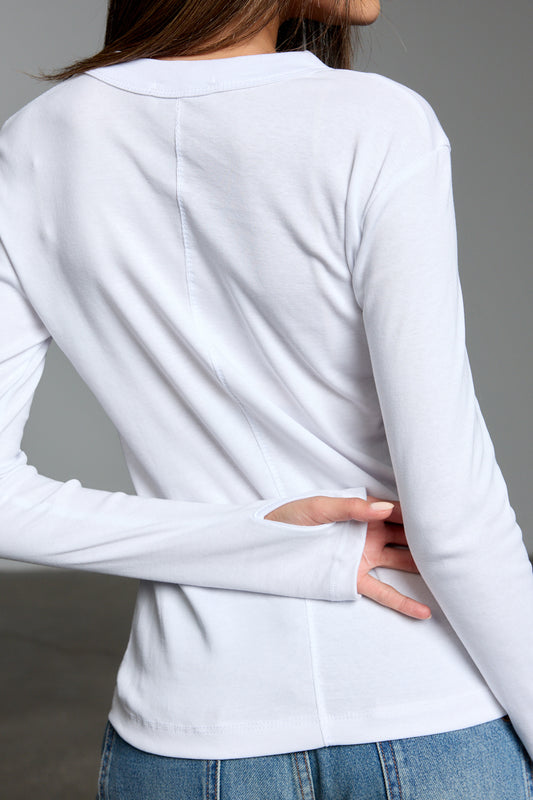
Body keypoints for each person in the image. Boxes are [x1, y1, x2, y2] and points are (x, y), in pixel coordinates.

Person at [0, 0, 532, 797]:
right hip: (425, 716)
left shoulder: (37, 142)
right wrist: (280, 545)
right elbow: (452, 520)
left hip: (186, 727)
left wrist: (251, 539)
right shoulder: (374, 122)